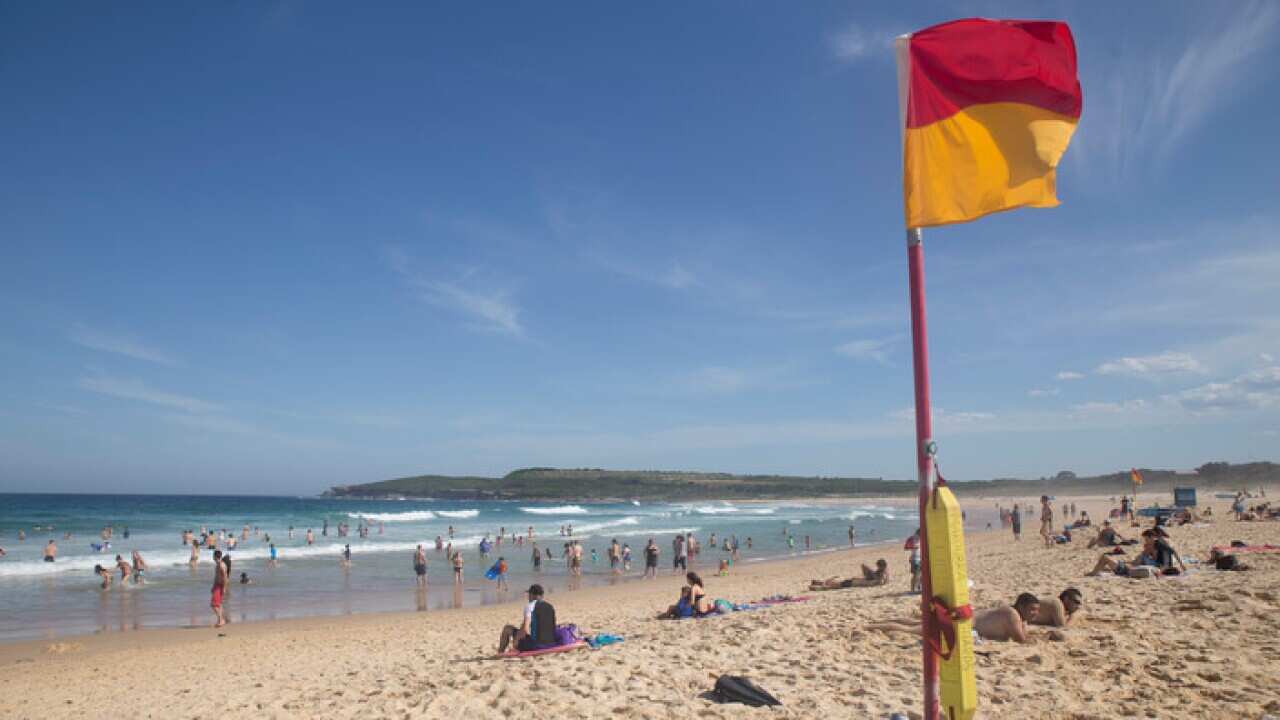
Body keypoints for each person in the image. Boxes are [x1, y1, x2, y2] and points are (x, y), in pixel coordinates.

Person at [866, 593, 1040, 643]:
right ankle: (870, 628)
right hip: (961, 625)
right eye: (1032, 609)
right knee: (913, 629)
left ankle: (874, 624)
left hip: (963, 617)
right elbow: (1021, 639)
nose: (1034, 613)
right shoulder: (1013, 616)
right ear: (1022, 606)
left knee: (916, 623)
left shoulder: (1012, 612)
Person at [497, 584, 559, 654]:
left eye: (529, 594)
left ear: (532, 595)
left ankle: (500, 652)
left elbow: (525, 630)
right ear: (542, 595)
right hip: (551, 643)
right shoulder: (550, 606)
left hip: (536, 646)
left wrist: (516, 642)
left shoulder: (530, 606)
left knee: (507, 628)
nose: (528, 597)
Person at [809, 559, 890, 590]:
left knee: (837, 584)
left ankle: (819, 585)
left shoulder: (879, 578)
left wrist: (873, 574)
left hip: (854, 583)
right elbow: (883, 579)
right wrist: (872, 574)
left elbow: (881, 581)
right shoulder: (882, 573)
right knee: (839, 583)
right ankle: (819, 583)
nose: (877, 568)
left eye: (878, 567)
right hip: (856, 581)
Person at [211, 549, 228, 628]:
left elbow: (225, 577)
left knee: (213, 605)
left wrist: (224, 588)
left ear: (215, 556)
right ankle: (220, 620)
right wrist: (213, 586)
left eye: (213, 555)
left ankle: (221, 620)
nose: (212, 557)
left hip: (220, 586)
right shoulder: (218, 564)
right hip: (217, 585)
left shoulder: (221, 565)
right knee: (219, 604)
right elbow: (216, 576)